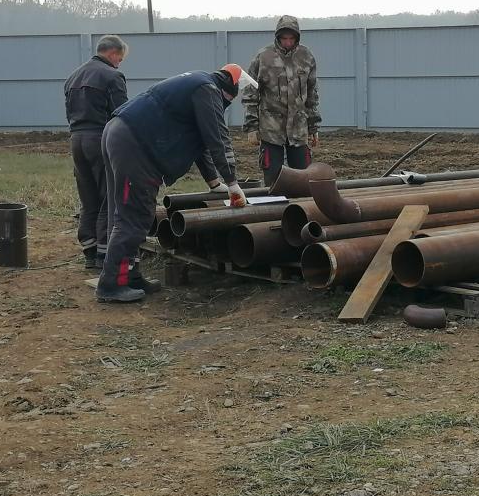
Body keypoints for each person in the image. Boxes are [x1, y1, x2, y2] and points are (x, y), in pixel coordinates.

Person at [96, 64, 256, 303]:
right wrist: (233, 183)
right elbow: (217, 141)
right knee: (134, 215)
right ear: (229, 88)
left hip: (122, 133)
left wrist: (214, 184)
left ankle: (130, 275)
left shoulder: (198, 84)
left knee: (130, 212)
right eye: (236, 94)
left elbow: (199, 143)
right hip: (136, 145)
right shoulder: (208, 90)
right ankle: (111, 285)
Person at [64, 35, 128, 270]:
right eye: (119, 59)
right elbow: (122, 114)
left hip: (76, 140)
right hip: (100, 139)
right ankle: (104, 254)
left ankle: (89, 250)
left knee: (88, 196)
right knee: (107, 197)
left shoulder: (72, 76)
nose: (119, 64)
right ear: (112, 53)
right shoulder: (112, 76)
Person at [242, 15, 321, 186]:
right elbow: (250, 93)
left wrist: (313, 127)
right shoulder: (263, 57)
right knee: (273, 181)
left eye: (291, 38)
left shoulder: (306, 57)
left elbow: (312, 94)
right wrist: (252, 127)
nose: (287, 42)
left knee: (304, 180)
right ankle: (275, 211)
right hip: (271, 130)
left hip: (298, 131)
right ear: (278, 37)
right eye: (284, 38)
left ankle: (300, 211)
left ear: (297, 38)